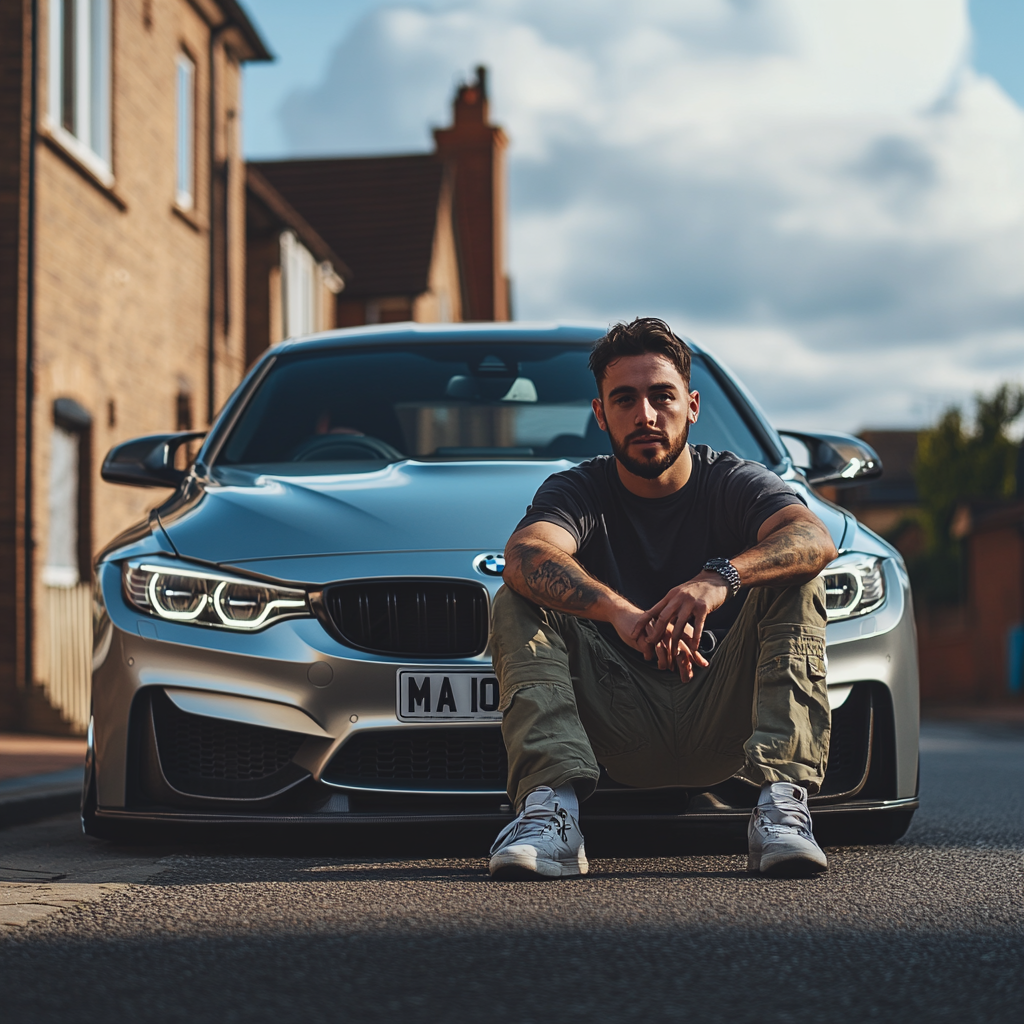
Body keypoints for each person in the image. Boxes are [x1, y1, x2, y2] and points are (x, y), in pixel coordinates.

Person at [487, 317, 838, 880]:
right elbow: (526, 556)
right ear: (601, 414)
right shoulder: (579, 489)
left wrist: (718, 578)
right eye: (624, 399)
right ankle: (551, 812)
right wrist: (619, 613)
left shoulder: (732, 480)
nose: (645, 416)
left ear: (692, 406)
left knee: (797, 573)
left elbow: (813, 538)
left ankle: (781, 808)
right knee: (518, 597)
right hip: (614, 720)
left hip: (724, 712)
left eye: (662, 396)